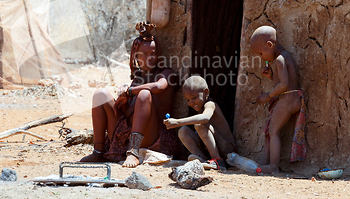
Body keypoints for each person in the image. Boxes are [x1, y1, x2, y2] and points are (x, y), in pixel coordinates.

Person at [80, 22, 179, 168]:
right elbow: (128, 114)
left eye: (153, 54)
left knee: (145, 94)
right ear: (135, 57)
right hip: (128, 133)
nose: (149, 58)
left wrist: (131, 91)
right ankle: (99, 152)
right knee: (100, 94)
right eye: (144, 54)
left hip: (151, 136)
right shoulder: (137, 79)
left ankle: (133, 153)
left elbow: (158, 87)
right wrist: (124, 100)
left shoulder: (165, 73)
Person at [250, 25, 307, 174]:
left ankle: (273, 166)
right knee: (270, 131)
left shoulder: (280, 60)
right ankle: (265, 162)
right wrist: (270, 76)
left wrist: (267, 95)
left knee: (273, 131)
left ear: (270, 45)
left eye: (261, 53)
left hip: (288, 98)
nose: (262, 57)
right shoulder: (284, 56)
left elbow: (284, 85)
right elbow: (283, 80)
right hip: (293, 97)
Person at [164, 75, 236, 170]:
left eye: (194, 97)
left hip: (228, 151)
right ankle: (203, 160)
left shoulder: (210, 104)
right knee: (183, 131)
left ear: (206, 92)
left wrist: (178, 121)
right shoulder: (200, 107)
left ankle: (218, 161)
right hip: (212, 148)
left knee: (199, 124)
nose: (191, 103)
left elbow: (205, 117)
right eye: (188, 100)